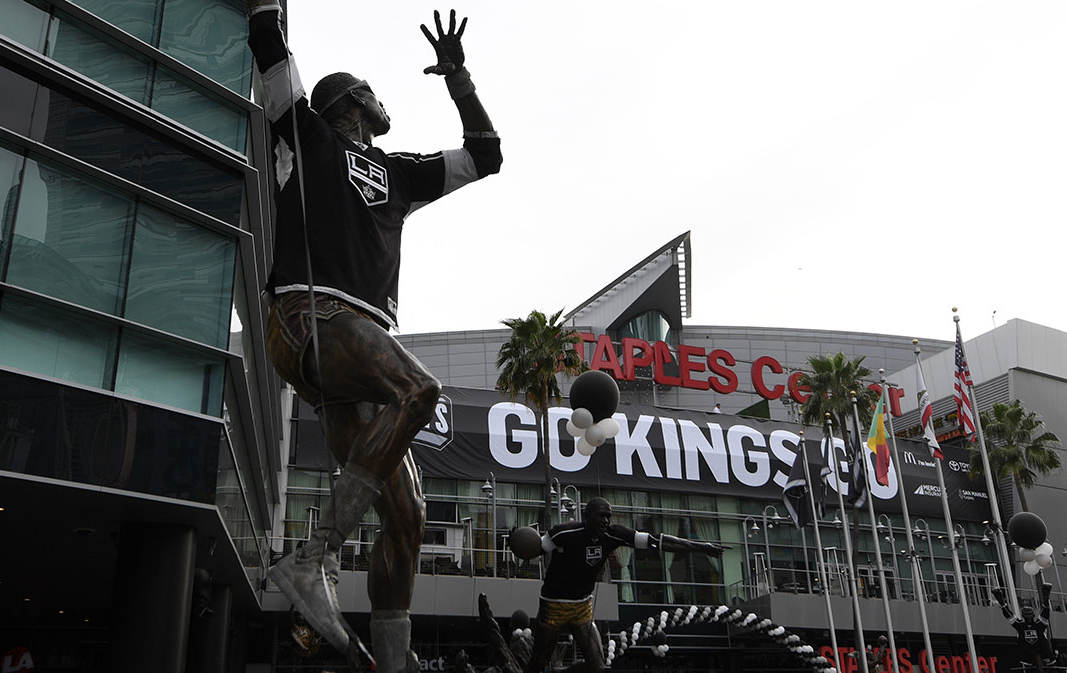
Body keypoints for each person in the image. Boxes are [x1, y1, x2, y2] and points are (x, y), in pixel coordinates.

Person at [245, 3, 502, 670]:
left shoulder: (398, 171)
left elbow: (486, 154)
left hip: (354, 349)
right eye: (375, 93)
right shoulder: (302, 134)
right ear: (354, 100)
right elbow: (268, 41)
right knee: (420, 387)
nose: (385, 101)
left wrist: (458, 77)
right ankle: (316, 554)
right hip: (309, 319)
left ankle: (391, 661)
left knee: (409, 515)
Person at [525, 497, 728, 673]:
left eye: (608, 516)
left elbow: (658, 541)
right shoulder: (563, 533)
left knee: (598, 667)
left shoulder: (614, 535)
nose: (606, 520)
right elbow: (535, 548)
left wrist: (702, 547)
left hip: (581, 607)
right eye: (600, 515)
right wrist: (520, 543)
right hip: (553, 605)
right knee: (537, 663)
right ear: (587, 517)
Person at [993, 584, 1058, 665]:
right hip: (1027, 658)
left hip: (1044, 656)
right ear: (1023, 616)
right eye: (1026, 615)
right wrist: (1002, 603)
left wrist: (1046, 599)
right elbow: (1009, 616)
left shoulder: (1039, 624)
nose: (1028, 617)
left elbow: (1045, 614)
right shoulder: (1020, 625)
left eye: (1030, 615)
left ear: (1033, 615)